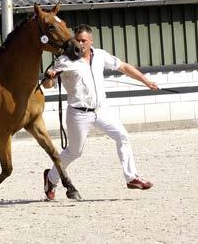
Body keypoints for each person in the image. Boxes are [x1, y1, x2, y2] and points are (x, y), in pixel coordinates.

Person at [42, 24, 158, 200]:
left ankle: (132, 177)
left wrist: (146, 81)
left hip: (101, 110)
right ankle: (51, 179)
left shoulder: (101, 55)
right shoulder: (65, 61)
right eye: (78, 40)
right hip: (79, 113)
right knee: (74, 152)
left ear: (91, 40)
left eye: (84, 40)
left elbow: (124, 67)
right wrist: (49, 77)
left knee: (122, 137)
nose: (80, 43)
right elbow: (48, 85)